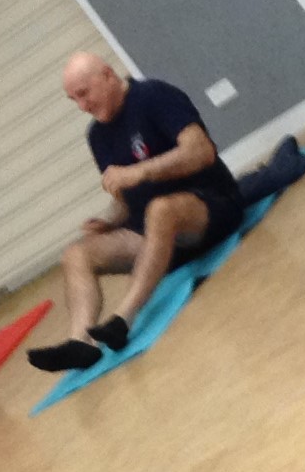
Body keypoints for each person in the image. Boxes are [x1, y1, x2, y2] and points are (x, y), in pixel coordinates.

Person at [31, 55, 252, 373]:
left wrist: (142, 171)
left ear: (107, 75)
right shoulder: (97, 137)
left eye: (84, 93)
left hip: (210, 209)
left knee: (160, 210)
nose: (82, 106)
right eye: (73, 99)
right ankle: (81, 343)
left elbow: (201, 151)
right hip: (157, 240)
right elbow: (126, 200)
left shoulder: (155, 96)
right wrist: (110, 221)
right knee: (75, 254)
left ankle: (123, 318)